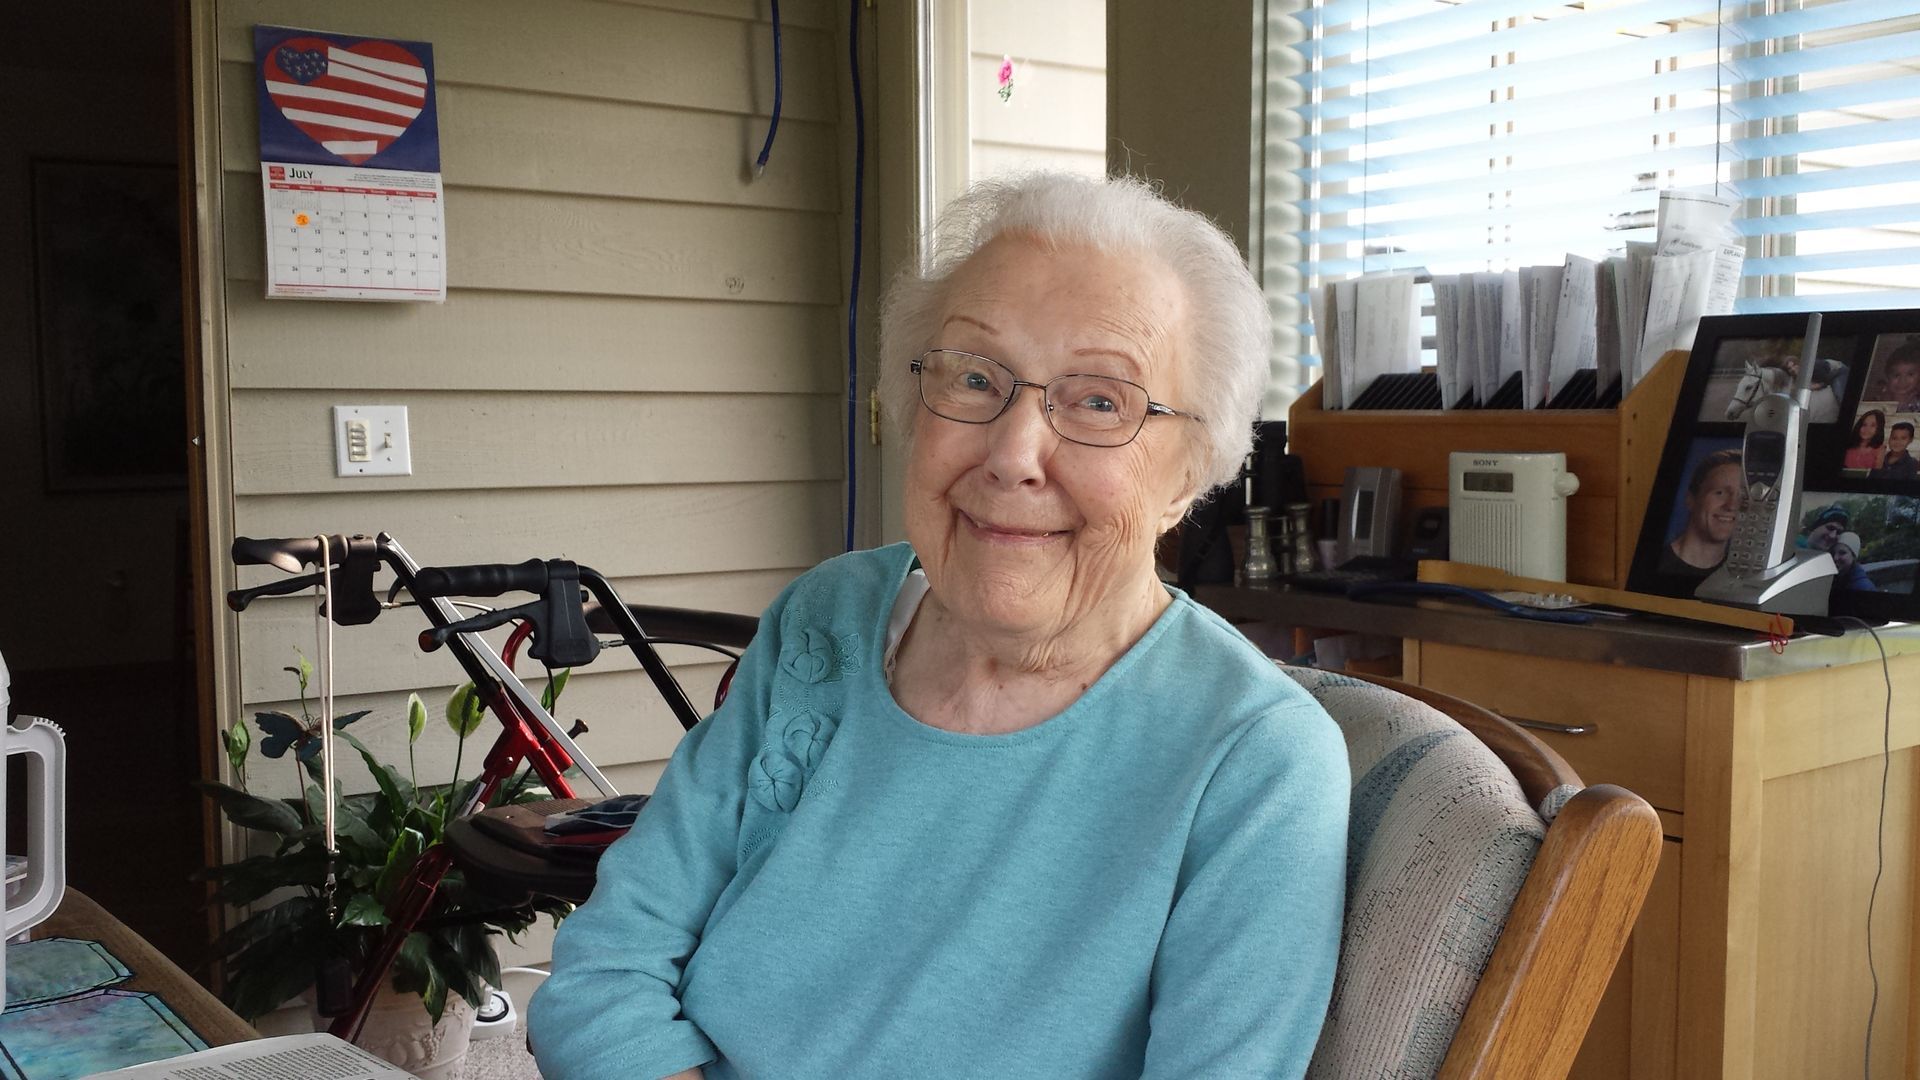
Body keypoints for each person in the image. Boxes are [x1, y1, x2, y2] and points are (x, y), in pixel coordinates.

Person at [527, 173, 1350, 1080]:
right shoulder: (828, 619)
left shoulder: (1255, 762)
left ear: (1190, 475)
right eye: (972, 377)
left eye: (1100, 401)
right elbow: (606, 967)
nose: (1012, 455)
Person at [1660, 448, 1743, 575]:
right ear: (1691, 499)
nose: (1731, 506)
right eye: (1720, 493)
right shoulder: (1659, 564)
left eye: (1743, 497)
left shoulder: (1739, 577)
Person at [1874, 342, 1920, 413]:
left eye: (1910, 374)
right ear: (1888, 378)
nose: (1902, 381)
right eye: (1896, 375)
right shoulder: (1881, 398)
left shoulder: (1917, 399)